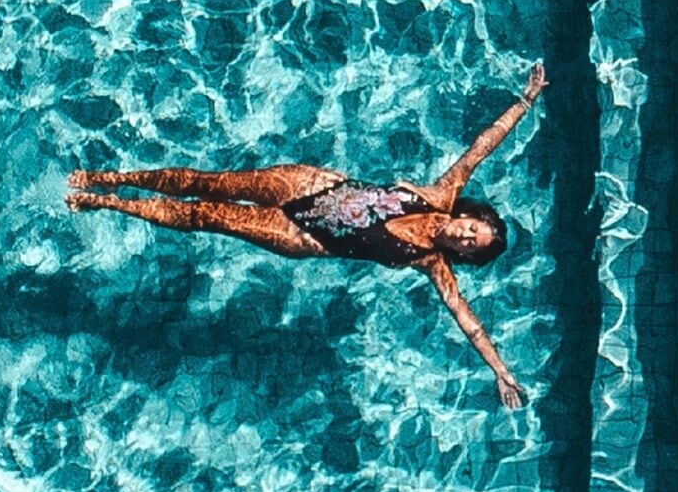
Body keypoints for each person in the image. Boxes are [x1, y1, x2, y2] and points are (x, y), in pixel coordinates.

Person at [67, 63, 550, 408]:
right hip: (313, 184)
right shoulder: (441, 193)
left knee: (205, 217)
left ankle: (106, 201)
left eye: (471, 245)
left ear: (465, 256)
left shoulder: (431, 265)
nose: (464, 236)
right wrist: (524, 101)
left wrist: (501, 372)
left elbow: (469, 322)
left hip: (300, 234)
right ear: (470, 215)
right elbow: (480, 148)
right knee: (208, 183)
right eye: (472, 228)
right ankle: (104, 176)